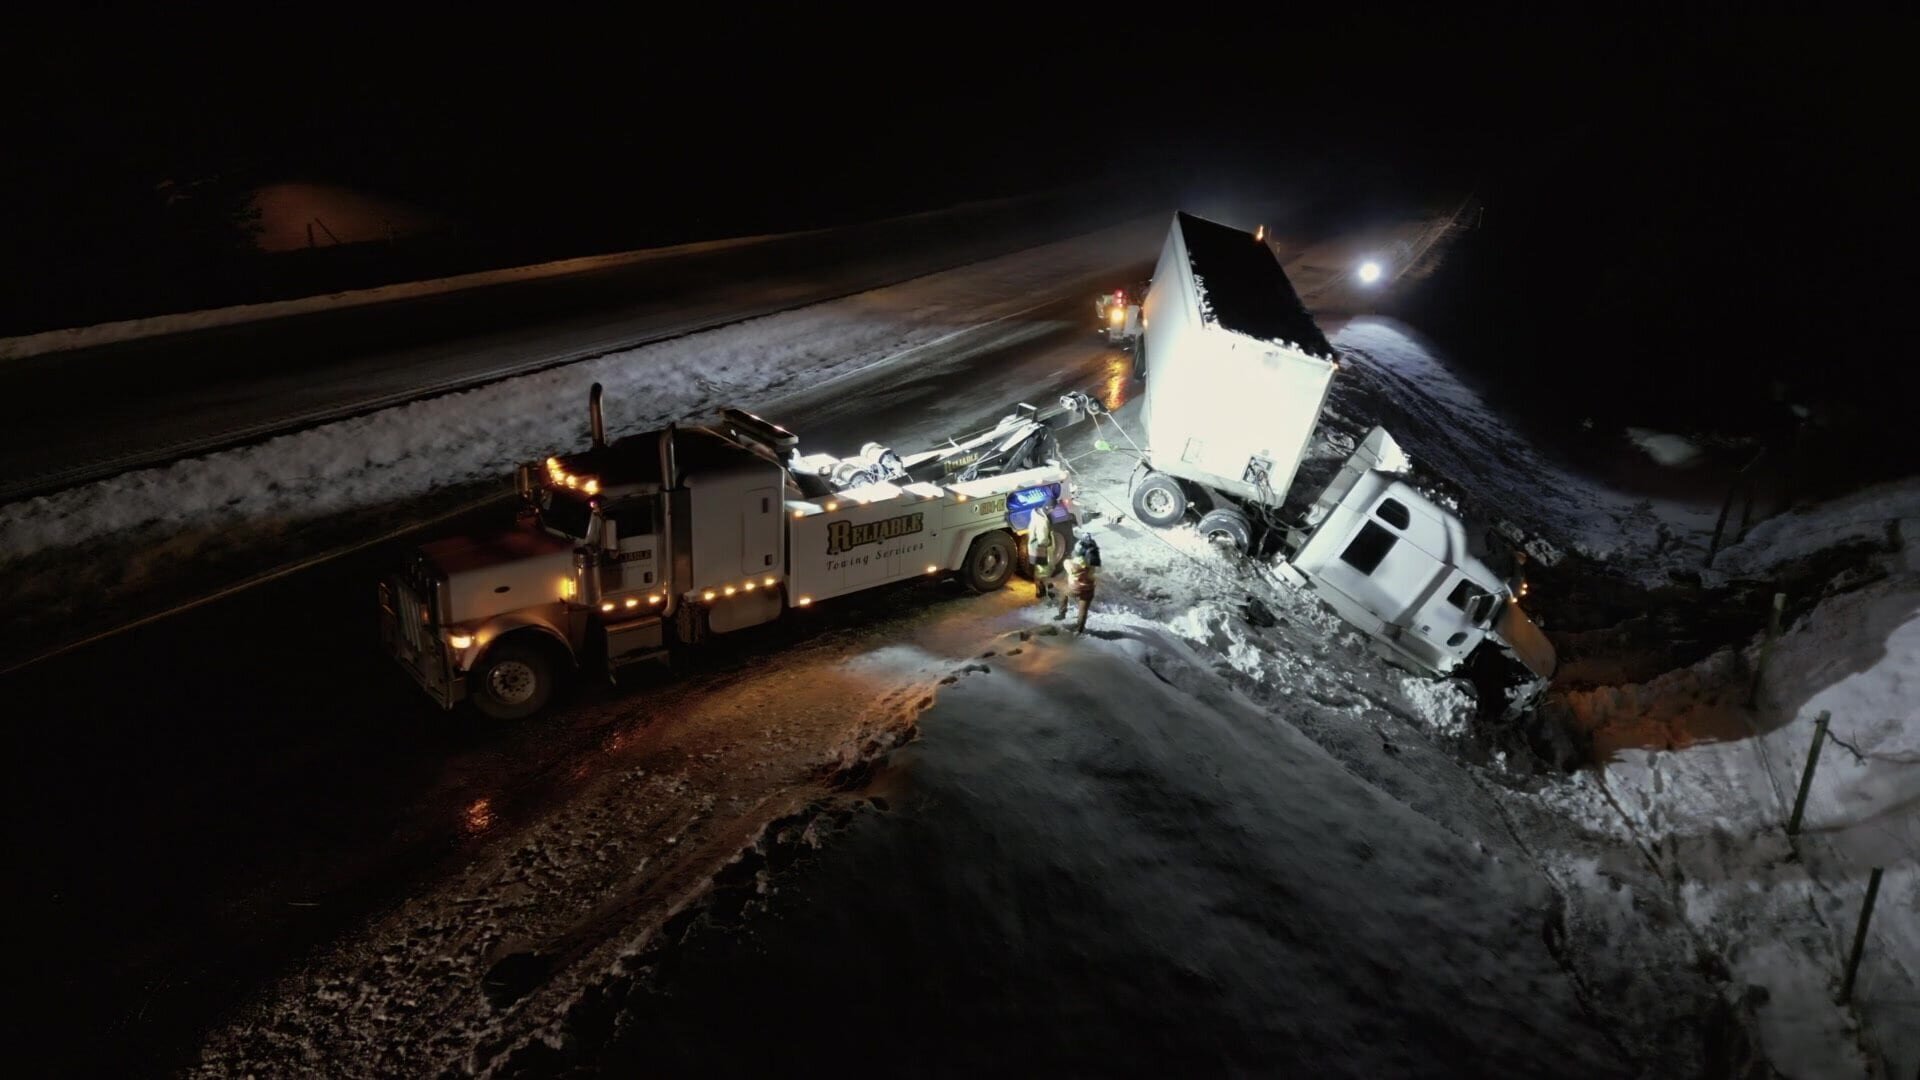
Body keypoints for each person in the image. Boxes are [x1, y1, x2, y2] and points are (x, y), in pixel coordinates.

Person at [1055, 532, 1100, 634]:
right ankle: (1079, 629)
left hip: (1075, 589)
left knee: (1062, 590)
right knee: (1083, 610)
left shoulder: (1071, 564)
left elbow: (1066, 563)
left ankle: (1062, 613)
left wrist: (1068, 558)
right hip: (1089, 589)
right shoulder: (1092, 563)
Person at [1028, 497, 1057, 602]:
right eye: (1053, 508)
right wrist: (1049, 544)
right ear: (1049, 507)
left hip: (1034, 546)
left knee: (1039, 570)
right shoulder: (1043, 521)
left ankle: (1041, 590)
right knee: (1044, 571)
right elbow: (1043, 539)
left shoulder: (1036, 514)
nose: (1053, 511)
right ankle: (1043, 591)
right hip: (1042, 548)